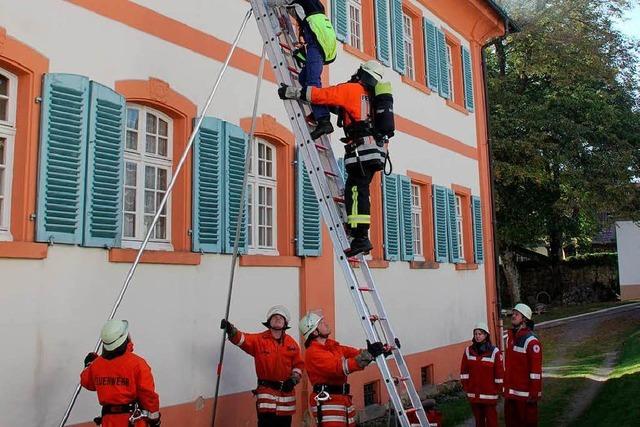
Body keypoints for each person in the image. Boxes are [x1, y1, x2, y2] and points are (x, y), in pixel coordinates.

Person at [278, 60, 391, 256]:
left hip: (361, 151)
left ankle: (360, 237)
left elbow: (324, 95)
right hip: (375, 151)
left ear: (361, 73)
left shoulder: (353, 90)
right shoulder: (371, 97)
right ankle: (358, 233)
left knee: (356, 190)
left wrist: (293, 92)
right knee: (358, 189)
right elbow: (341, 108)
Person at [221, 305, 304, 427]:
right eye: (274, 317)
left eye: (281, 318)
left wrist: (294, 379)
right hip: (266, 396)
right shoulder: (259, 340)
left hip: (286, 396)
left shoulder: (292, 344)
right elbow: (243, 339)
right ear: (269, 322)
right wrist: (230, 330)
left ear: (285, 323)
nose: (278, 319)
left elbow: (298, 365)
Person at [300, 311, 385, 426]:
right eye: (321, 323)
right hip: (328, 402)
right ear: (315, 332)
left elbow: (355, 354)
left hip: (342, 399)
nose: (325, 323)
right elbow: (339, 368)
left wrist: (381, 352)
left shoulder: (333, 346)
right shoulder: (314, 352)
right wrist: (368, 355)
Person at [267, 0, 337, 139]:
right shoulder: (315, 5)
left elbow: (275, 2)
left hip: (316, 40)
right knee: (303, 78)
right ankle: (316, 109)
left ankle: (323, 119)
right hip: (323, 40)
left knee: (312, 81)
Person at [81, 320, 161, 426]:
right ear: (125, 339)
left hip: (109, 422)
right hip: (133, 421)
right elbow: (148, 396)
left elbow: (87, 382)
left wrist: (89, 364)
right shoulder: (137, 364)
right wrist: (155, 421)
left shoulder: (96, 365)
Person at [504, 303, 542, 427]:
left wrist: (534, 393)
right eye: (513, 313)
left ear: (524, 319)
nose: (513, 316)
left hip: (525, 395)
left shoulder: (531, 342)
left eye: (516, 314)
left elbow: (535, 372)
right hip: (511, 393)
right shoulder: (510, 338)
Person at [460, 322, 504, 427]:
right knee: (479, 422)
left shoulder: (494, 352)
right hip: (474, 395)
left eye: (480, 334)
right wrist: (467, 388)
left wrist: (498, 390)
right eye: (475, 334)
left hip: (489, 396)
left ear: (486, 335)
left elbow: (499, 374)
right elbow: (464, 373)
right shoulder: (468, 351)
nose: (477, 336)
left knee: (491, 422)